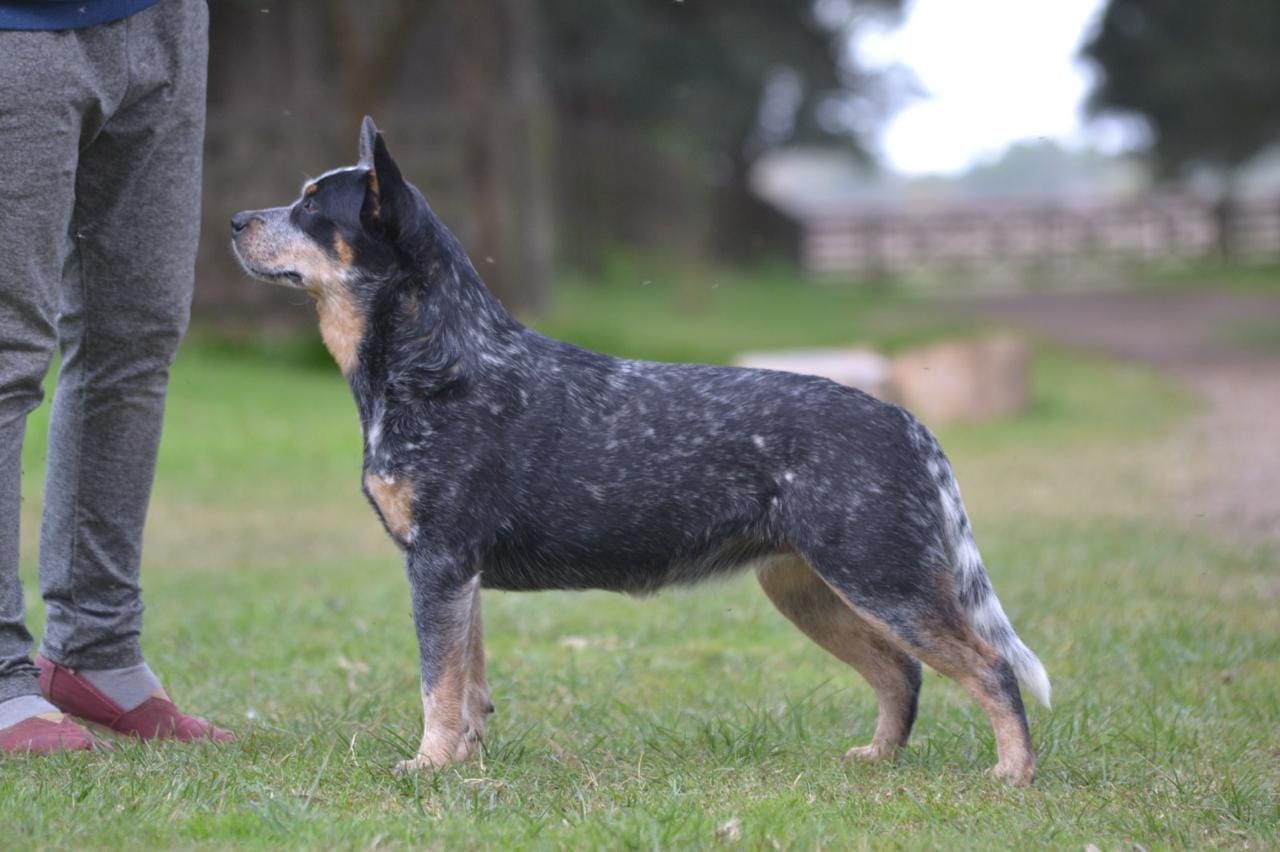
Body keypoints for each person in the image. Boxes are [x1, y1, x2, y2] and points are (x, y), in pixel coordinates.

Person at [0, 0, 231, 753]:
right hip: (16, 29)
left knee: (134, 336)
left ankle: (95, 649)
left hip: (162, 21)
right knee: (7, 347)